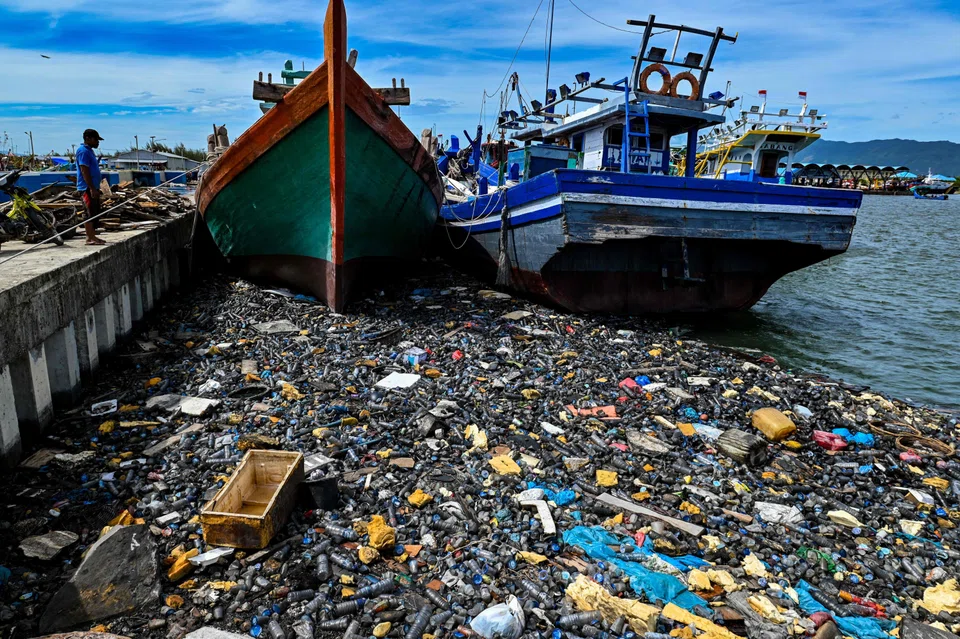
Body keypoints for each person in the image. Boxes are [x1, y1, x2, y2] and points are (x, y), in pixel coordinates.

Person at [76, 129, 106, 245]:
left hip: (93, 186)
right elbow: (85, 171)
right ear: (88, 138)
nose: (97, 142)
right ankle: (89, 237)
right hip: (86, 188)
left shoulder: (89, 151)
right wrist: (92, 188)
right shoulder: (83, 151)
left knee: (95, 211)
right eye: (96, 140)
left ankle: (93, 236)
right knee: (89, 212)